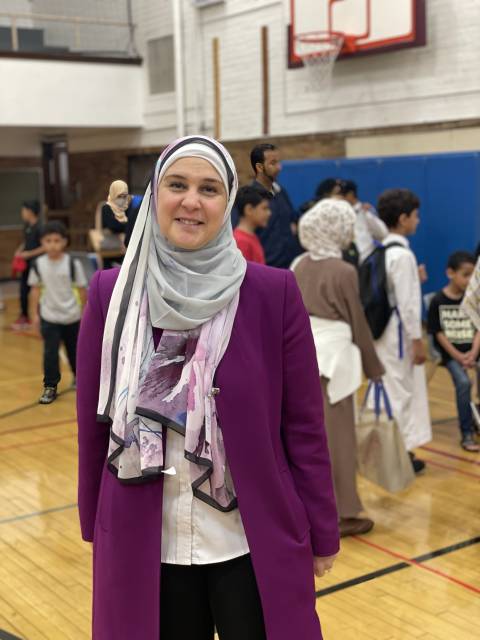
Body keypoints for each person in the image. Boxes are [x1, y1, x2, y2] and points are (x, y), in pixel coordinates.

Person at [77, 135, 339, 640]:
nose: (191, 201)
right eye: (177, 184)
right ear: (155, 194)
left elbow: (304, 426)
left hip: (249, 539)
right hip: (144, 540)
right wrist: (95, 519)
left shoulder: (272, 293)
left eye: (209, 188)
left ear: (228, 201)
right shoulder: (112, 294)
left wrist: (323, 531)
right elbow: (93, 419)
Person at [293, 198, 385, 537]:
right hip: (334, 362)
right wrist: (374, 367)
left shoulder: (299, 264)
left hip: (303, 358)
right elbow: (356, 320)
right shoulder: (344, 271)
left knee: (306, 438)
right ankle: (344, 513)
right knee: (339, 441)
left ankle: (309, 505)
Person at [374, 189, 432, 473]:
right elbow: (408, 304)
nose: (418, 221)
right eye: (415, 216)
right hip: (400, 336)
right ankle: (402, 455)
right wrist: (418, 340)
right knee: (403, 394)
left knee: (390, 391)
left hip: (384, 333)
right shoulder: (403, 256)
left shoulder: (381, 250)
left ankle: (392, 452)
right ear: (403, 218)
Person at [28, 221, 87, 404]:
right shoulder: (38, 264)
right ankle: (50, 386)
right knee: (50, 354)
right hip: (50, 317)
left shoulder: (72, 263)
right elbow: (35, 291)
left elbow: (82, 290)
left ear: (64, 242)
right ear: (42, 242)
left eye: (56, 240)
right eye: (48, 240)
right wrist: (34, 317)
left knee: (75, 351)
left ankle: (81, 380)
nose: (52, 244)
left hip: (72, 317)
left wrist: (84, 314)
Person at [427, 251, 480, 452]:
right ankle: (466, 432)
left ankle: (477, 418)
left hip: (473, 352)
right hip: (451, 355)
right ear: (450, 273)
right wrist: (458, 356)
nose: (470, 280)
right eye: (465, 275)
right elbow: (437, 333)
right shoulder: (438, 300)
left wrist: (474, 352)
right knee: (464, 383)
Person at [242, 143, 302, 268]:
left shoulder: (281, 192)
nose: (279, 167)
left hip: (290, 267)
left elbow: (292, 219)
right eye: (273, 163)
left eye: (278, 162)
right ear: (259, 167)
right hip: (266, 269)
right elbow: (242, 234)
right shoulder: (249, 197)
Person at [11, 200, 44, 330]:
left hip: (36, 265)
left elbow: (44, 247)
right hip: (26, 265)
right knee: (23, 290)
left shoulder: (40, 228)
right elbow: (26, 242)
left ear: (30, 211)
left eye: (23, 210)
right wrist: (20, 250)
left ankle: (41, 318)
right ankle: (24, 316)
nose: (22, 213)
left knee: (38, 292)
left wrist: (29, 254)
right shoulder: (27, 226)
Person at [340, 179, 388, 264]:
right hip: (345, 260)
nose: (340, 199)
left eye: (342, 195)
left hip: (365, 260)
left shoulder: (366, 211)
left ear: (350, 194)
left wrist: (368, 215)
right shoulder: (339, 213)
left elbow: (383, 233)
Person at [232, 185, 271, 263]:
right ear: (249, 210)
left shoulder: (250, 236)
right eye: (264, 208)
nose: (269, 213)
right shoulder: (241, 242)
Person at [100, 180, 133, 268]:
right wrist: (127, 226)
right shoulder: (106, 208)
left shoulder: (127, 208)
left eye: (124, 196)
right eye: (119, 196)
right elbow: (113, 226)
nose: (122, 199)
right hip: (110, 251)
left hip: (124, 251)